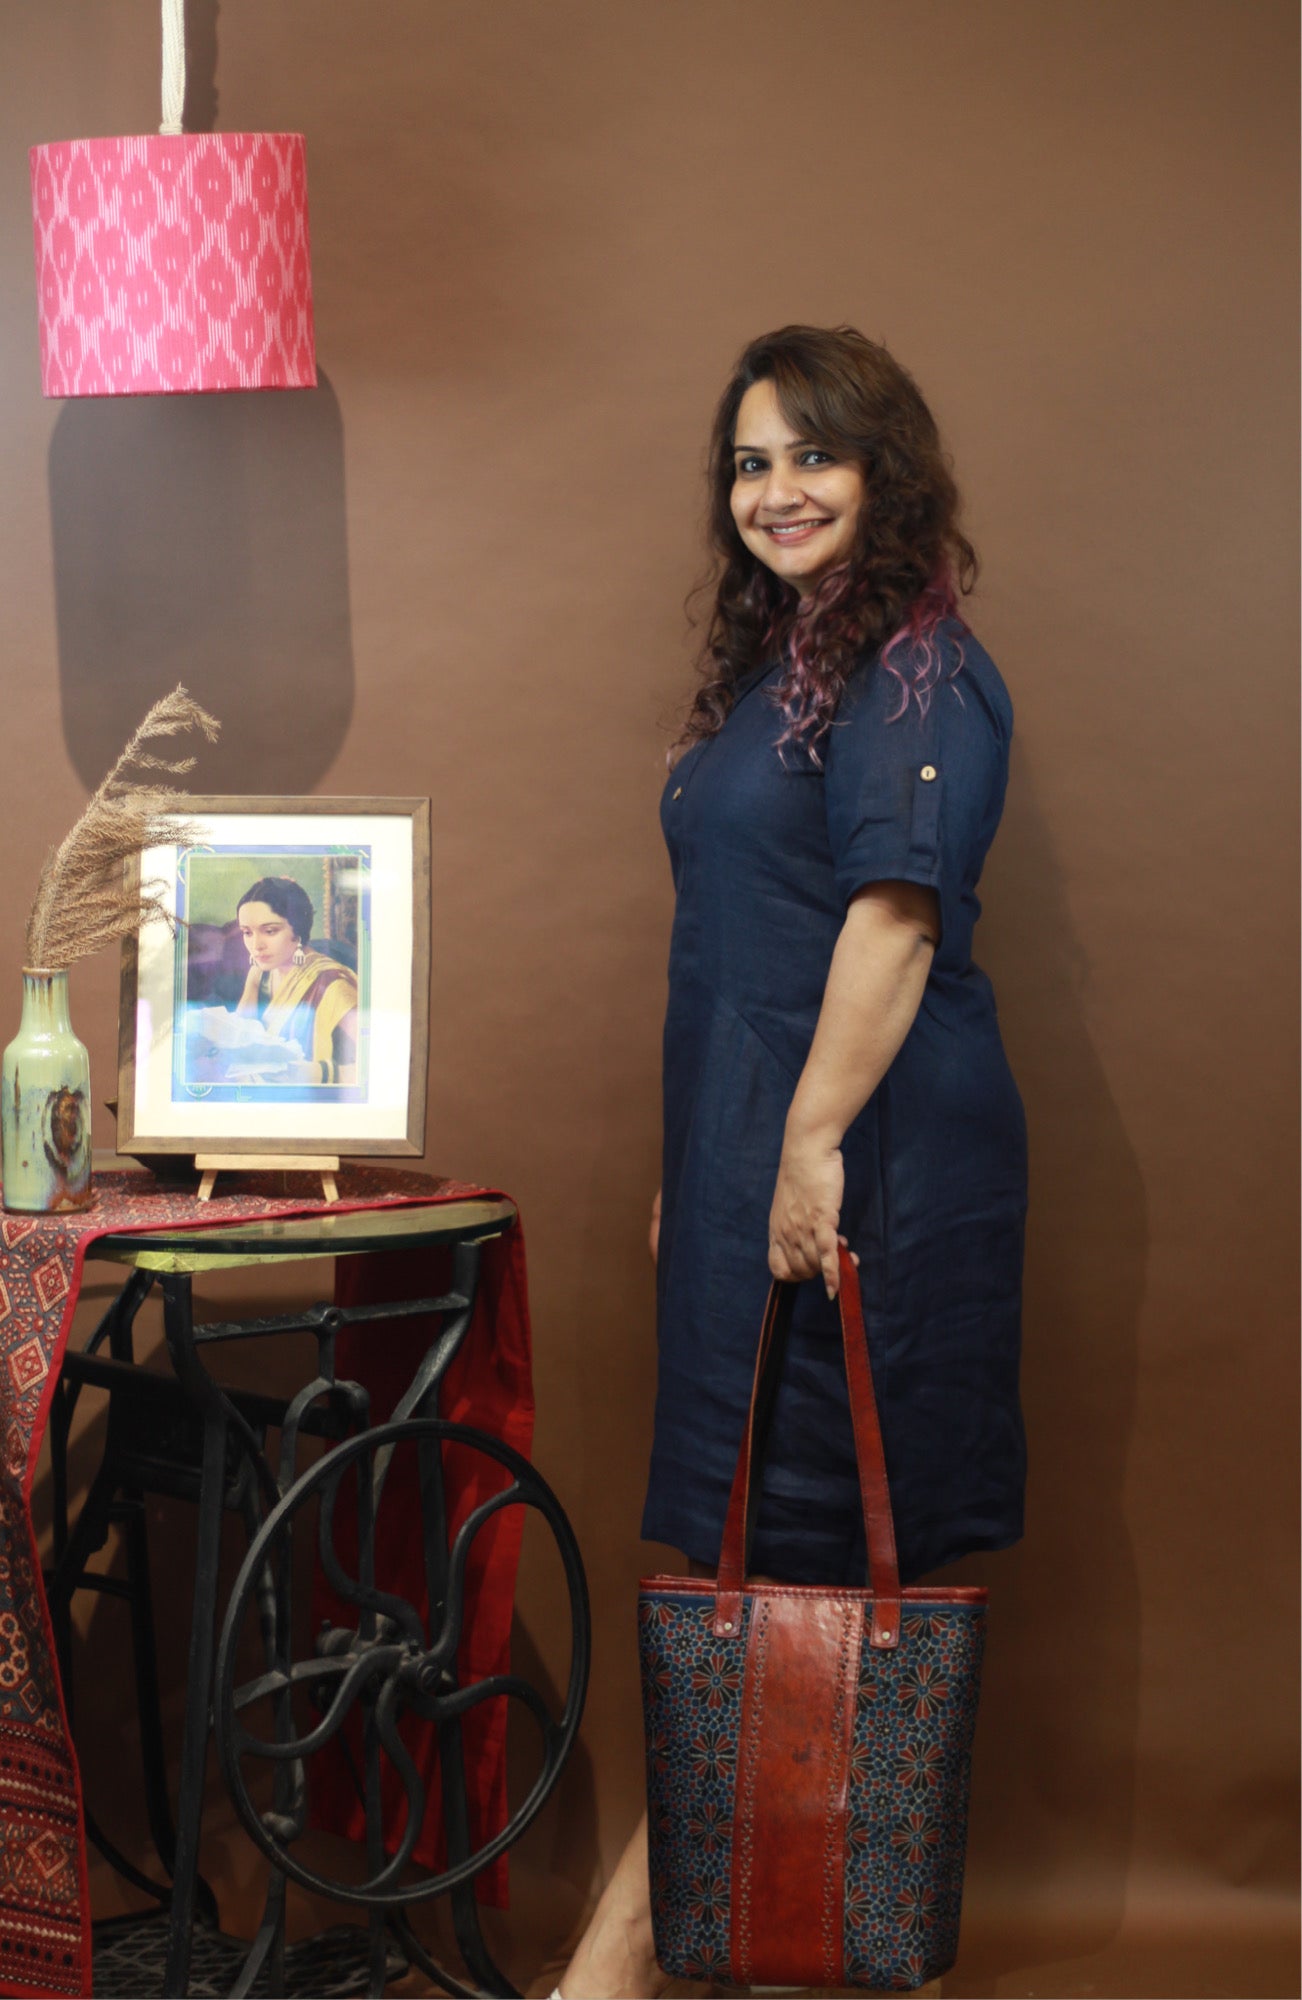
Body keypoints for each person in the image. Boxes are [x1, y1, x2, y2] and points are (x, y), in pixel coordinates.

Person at [556, 325, 1027, 1999]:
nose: (775, 492)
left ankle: (634, 1957)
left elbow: (894, 923)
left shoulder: (917, 669)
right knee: (746, 1554)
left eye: (810, 455)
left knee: (801, 1553)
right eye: (748, 464)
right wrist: (708, 1167)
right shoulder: (793, 671)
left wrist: (809, 1147)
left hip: (869, 1162)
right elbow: (743, 950)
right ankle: (745, 1937)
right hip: (760, 1154)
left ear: (883, 469)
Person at [234, 875, 360, 1085]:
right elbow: (238, 1037)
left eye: (270, 931)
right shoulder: (262, 973)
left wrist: (318, 1073)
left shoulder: (331, 985)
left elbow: (380, 1060)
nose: (256, 945)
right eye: (247, 932)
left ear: (298, 929)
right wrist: (252, 982)